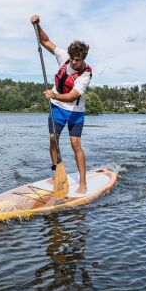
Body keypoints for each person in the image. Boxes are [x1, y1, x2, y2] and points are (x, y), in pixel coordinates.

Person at [31, 14, 92, 194]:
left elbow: (73, 96)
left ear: (83, 58)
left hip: (75, 112)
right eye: (72, 58)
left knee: (75, 144)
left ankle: (82, 182)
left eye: (77, 60)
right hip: (57, 108)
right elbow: (46, 41)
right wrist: (37, 25)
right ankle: (58, 173)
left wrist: (54, 96)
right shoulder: (65, 56)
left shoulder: (85, 74)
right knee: (52, 140)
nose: (74, 62)